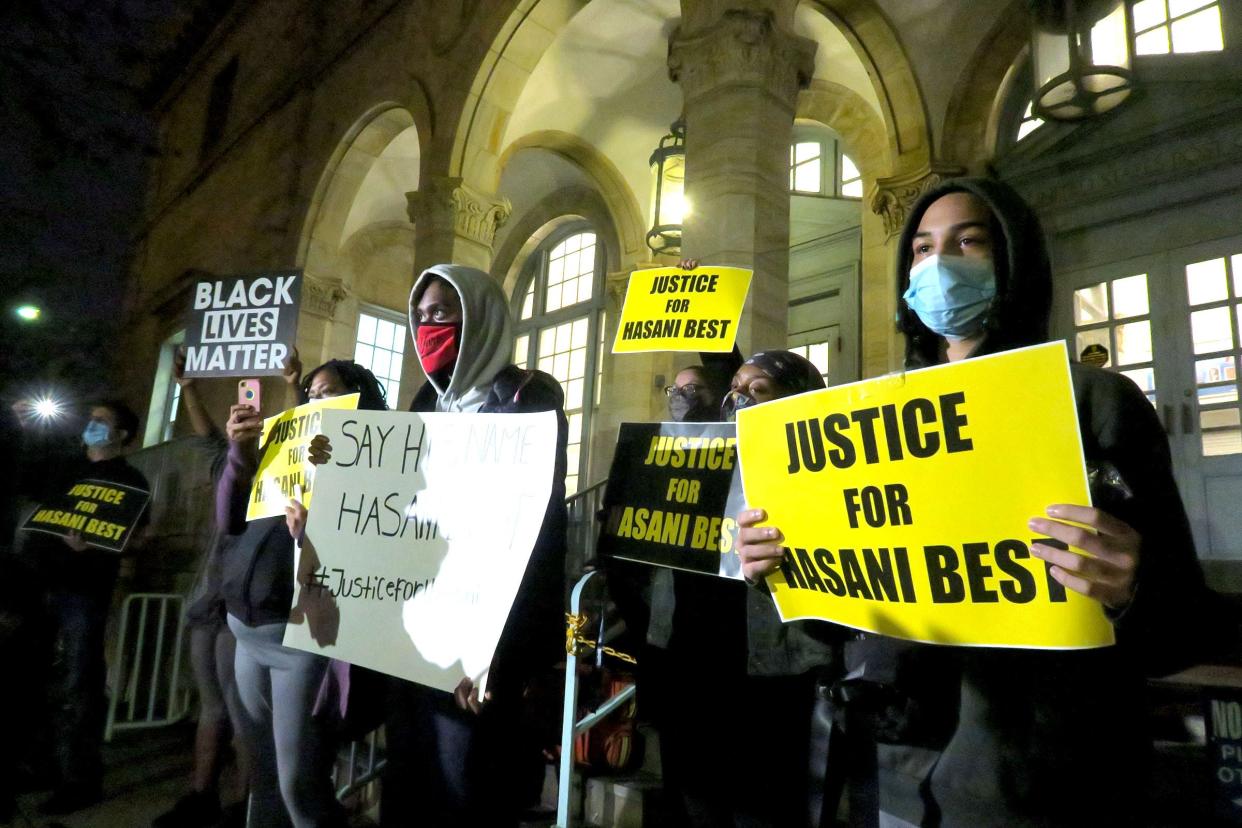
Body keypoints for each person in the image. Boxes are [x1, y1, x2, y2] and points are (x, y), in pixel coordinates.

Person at [737, 177, 1216, 827]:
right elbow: (845, 626)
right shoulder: (872, 422)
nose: (940, 265)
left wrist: (1132, 588)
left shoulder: (1094, 403)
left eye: (969, 242)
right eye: (922, 250)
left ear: (1013, 260)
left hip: (1041, 785)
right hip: (901, 772)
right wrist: (785, 573)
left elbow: (1184, 625)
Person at [311, 264, 568, 826]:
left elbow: (532, 536)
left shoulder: (526, 395)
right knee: (410, 784)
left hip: (480, 651)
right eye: (420, 316)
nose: (427, 327)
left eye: (442, 314)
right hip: (418, 643)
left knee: (467, 790)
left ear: (479, 318)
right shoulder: (427, 401)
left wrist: (489, 651)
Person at [217, 358, 387, 828]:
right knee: (265, 777)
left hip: (300, 643)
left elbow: (373, 554)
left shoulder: (370, 460)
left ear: (357, 398)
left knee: (300, 784)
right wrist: (240, 455)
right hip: (246, 632)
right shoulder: (284, 445)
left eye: (327, 391)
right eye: (310, 392)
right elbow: (229, 520)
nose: (315, 401)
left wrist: (315, 536)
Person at [155, 347, 302, 828]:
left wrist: (291, 383)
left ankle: (246, 801)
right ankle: (202, 795)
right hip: (210, 597)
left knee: (245, 715)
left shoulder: (284, 474)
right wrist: (188, 388)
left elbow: (307, 423)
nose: (252, 426)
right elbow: (208, 437)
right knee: (213, 705)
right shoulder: (230, 461)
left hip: (241, 609)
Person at [23, 400, 151, 815]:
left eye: (102, 422)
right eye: (90, 419)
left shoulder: (131, 480)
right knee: (35, 678)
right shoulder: (65, 468)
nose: (91, 425)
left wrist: (94, 544)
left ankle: (80, 780)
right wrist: (29, 429)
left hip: (84, 591)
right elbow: (29, 484)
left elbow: (137, 536)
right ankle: (42, 765)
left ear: (121, 436)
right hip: (39, 584)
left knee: (80, 686)